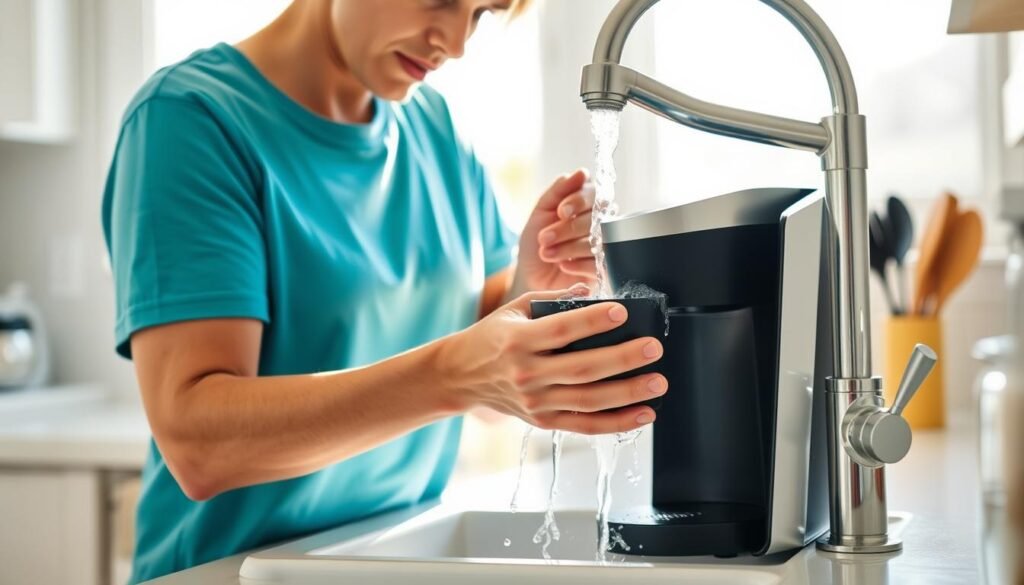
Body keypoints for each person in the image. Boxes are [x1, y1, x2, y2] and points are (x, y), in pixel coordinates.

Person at [101, 0, 666, 581]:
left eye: (480, 14)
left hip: (380, 557)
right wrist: (451, 376)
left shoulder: (436, 130)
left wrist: (532, 282)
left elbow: (486, 385)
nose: (456, 41)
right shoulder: (190, 121)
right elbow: (199, 445)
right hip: (228, 572)